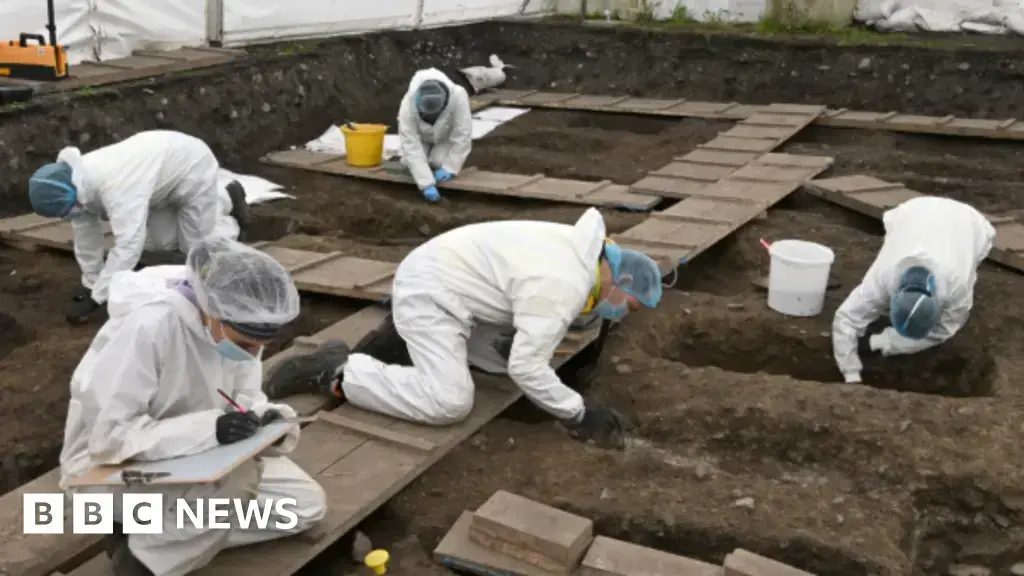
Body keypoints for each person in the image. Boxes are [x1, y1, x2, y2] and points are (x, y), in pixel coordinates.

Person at [263, 207, 663, 447]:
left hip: (455, 283)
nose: (624, 311)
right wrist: (577, 413)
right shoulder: (563, 284)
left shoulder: (580, 252)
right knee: (450, 403)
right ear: (622, 280)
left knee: (500, 364)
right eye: (629, 303)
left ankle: (407, 343)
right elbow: (529, 367)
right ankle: (335, 370)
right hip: (432, 293)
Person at [58, 237, 326, 576]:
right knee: (236, 487)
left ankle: (158, 535)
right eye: (245, 342)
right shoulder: (149, 327)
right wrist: (211, 429)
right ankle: (141, 564)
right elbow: (109, 439)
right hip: (106, 471)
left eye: (261, 345)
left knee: (302, 506)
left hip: (197, 457)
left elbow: (243, 399)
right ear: (212, 312)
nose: (252, 352)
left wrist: (265, 423)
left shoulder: (234, 329)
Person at [27, 130, 254, 324]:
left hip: (190, 165)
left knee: (196, 249)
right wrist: (91, 282)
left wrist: (98, 296)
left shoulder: (115, 187)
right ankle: (215, 204)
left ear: (71, 194)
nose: (70, 217)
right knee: (160, 242)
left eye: (67, 210)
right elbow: (85, 234)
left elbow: (128, 246)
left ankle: (228, 203)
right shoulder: (75, 185)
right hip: (156, 180)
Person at [832, 196, 995, 384]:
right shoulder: (881, 279)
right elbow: (846, 319)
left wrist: (884, 342)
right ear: (892, 300)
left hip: (968, 223)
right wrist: (850, 371)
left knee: (966, 257)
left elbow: (942, 329)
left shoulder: (958, 285)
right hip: (915, 211)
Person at [397, 68, 473, 203]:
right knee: (407, 161)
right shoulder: (407, 104)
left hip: (444, 137)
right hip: (422, 138)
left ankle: (438, 160)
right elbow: (410, 144)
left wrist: (450, 167)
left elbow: (462, 134)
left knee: (437, 162)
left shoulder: (458, 96)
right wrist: (426, 184)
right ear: (417, 101)